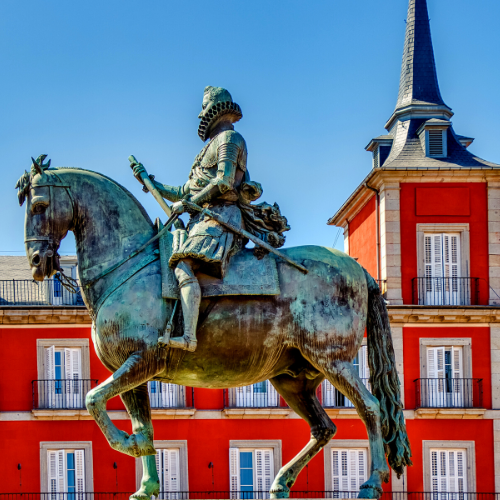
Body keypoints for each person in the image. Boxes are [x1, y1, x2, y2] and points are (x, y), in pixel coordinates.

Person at [132, 86, 248, 352]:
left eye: (204, 110)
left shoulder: (230, 139)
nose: (200, 118)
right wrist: (151, 182)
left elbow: (224, 181)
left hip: (221, 217)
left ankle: (188, 337)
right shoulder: (209, 147)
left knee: (183, 264)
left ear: (215, 111)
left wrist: (191, 203)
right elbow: (184, 191)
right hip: (202, 218)